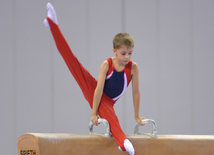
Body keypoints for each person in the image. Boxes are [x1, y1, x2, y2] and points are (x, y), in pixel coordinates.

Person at [44, 3, 145, 155]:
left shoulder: (133, 68)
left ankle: (121, 141)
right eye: (123, 53)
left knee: (109, 114)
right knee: (72, 61)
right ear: (114, 51)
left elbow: (136, 92)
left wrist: (136, 115)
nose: (127, 57)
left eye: (130, 53)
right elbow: (98, 89)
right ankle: (53, 24)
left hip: (108, 102)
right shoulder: (107, 64)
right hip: (94, 90)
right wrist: (93, 113)